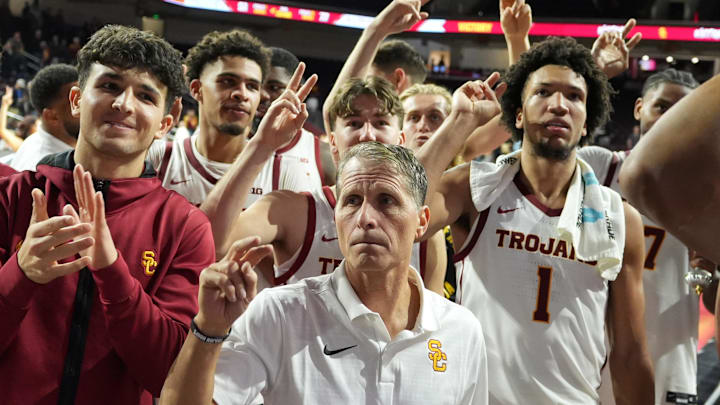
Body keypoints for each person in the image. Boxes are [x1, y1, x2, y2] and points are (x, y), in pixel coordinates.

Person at [416, 36, 654, 403]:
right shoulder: (476, 189)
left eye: (574, 96)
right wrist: (459, 122)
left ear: (587, 118)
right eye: (543, 92)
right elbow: (404, 214)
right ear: (518, 113)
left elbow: (629, 355)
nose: (559, 105)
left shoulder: (620, 218)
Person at [159, 142, 488, 405]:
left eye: (386, 200)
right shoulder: (279, 313)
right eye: (352, 201)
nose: (365, 218)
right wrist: (208, 329)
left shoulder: (461, 331)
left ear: (421, 221)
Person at [0, 25, 215, 405]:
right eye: (110, 86)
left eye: (146, 96)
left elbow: (170, 375)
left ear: (166, 123)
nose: (124, 104)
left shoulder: (185, 228)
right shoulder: (11, 196)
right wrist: (21, 272)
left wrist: (113, 274)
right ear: (77, 99)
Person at [203, 74, 474, 293]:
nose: (368, 134)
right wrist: (261, 146)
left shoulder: (424, 233)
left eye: (380, 122)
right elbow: (209, 244)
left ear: (401, 139)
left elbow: (431, 330)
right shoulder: (292, 210)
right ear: (333, 141)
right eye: (354, 123)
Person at [577, 68, 705, 404]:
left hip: (671, 363)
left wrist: (707, 266)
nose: (670, 118)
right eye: (661, 106)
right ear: (638, 109)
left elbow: (708, 294)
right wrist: (596, 71)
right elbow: (535, 155)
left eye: (682, 110)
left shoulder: (708, 195)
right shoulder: (599, 168)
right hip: (593, 360)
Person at [146, 30, 322, 207]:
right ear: (197, 89)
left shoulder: (285, 170)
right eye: (228, 81)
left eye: (252, 86)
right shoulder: (158, 158)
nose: (242, 94)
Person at [251, 46, 335, 187]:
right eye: (255, 86)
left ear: (299, 91)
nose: (262, 95)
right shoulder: (228, 147)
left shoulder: (323, 155)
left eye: (274, 87)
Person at [11, 63, 80, 171]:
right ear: (52, 116)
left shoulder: (37, 141)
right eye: (74, 102)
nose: (85, 107)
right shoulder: (39, 172)